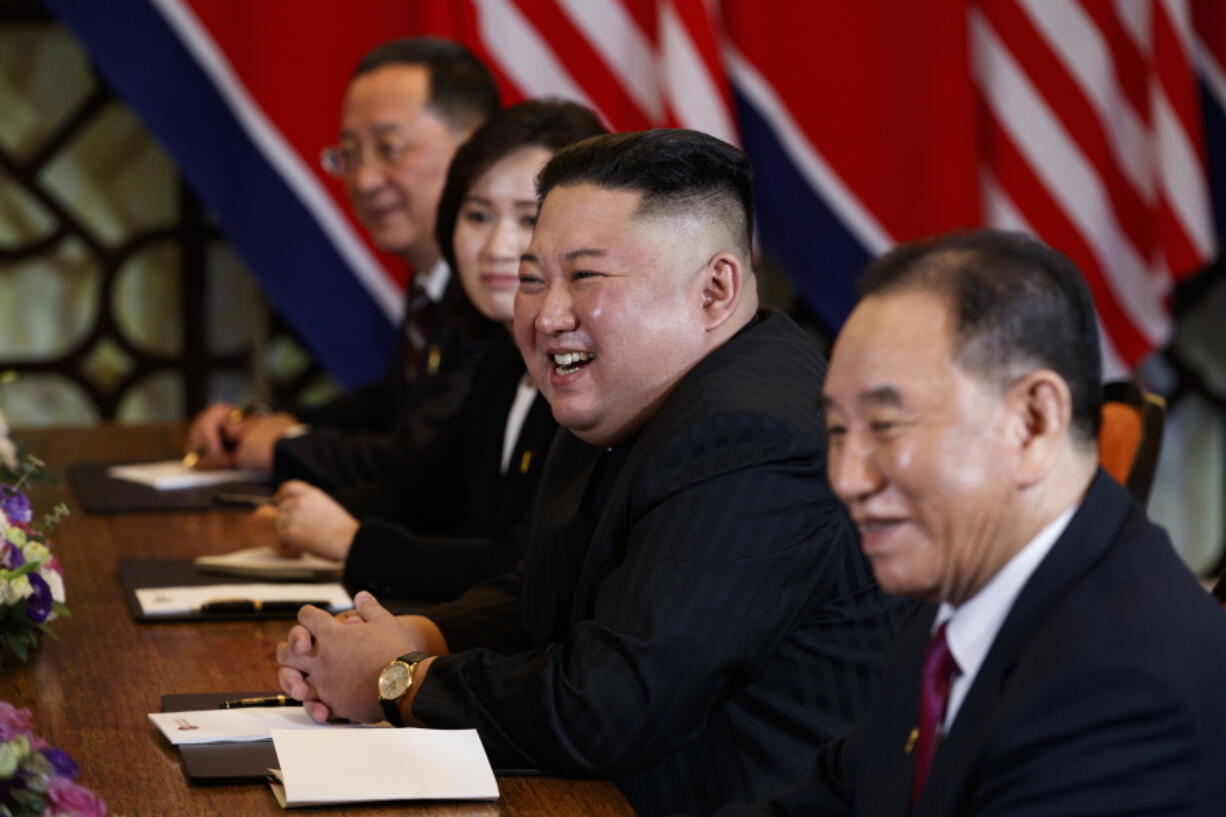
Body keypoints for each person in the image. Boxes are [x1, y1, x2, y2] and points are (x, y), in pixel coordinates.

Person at [274, 129, 907, 817]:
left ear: (715, 289)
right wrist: (416, 635)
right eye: (532, 278)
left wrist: (398, 681)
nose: (547, 316)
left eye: (585, 276)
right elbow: (545, 591)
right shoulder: (622, 393)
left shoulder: (755, 435)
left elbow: (612, 705)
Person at [707, 230, 1226, 816]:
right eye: (837, 431)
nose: (847, 477)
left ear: (1032, 422)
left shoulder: (1127, 687)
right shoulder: (955, 599)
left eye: (886, 426)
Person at [267, 99, 607, 601]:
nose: (495, 246)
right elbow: (426, 490)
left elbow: (525, 566)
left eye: (528, 218)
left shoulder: (592, 375)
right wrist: (304, 509)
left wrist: (351, 540)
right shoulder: (504, 358)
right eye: (478, 215)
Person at [184, 37, 500, 481]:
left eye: (389, 149)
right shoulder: (433, 279)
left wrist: (286, 446)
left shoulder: (498, 288)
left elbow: (428, 459)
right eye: (350, 154)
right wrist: (266, 422)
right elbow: (393, 405)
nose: (365, 180)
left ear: (472, 150)